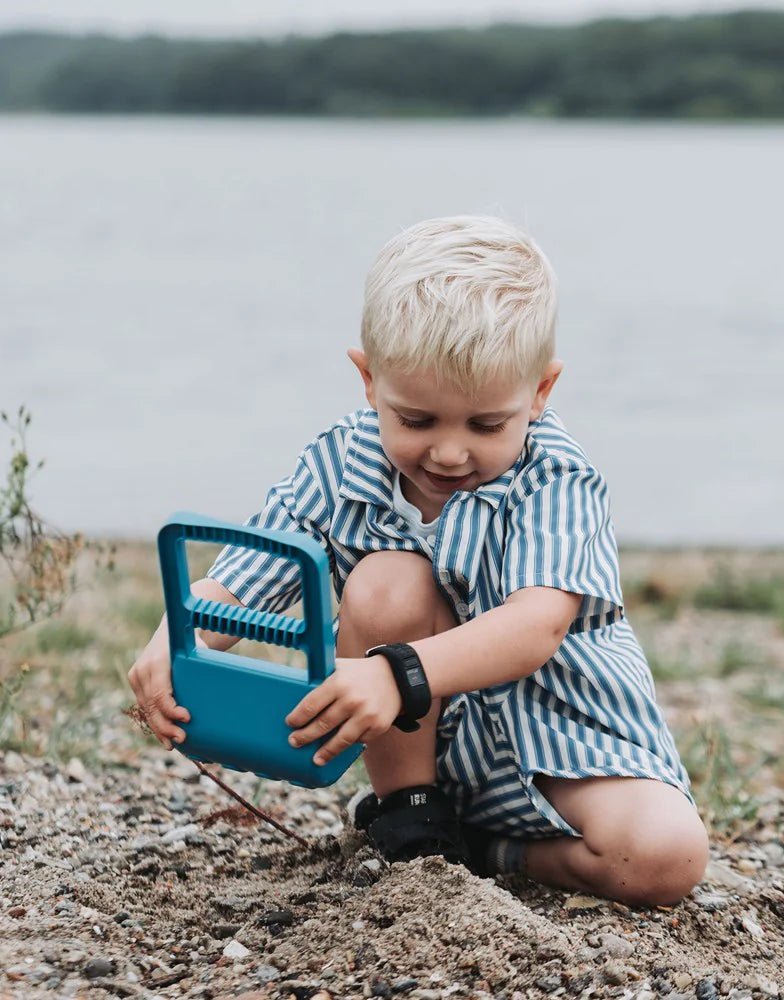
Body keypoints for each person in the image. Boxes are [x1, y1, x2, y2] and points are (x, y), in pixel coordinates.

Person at [128, 215, 708, 908]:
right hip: (425, 747)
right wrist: (176, 641)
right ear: (370, 381)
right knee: (386, 580)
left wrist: (394, 674)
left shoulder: (557, 480)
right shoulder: (342, 460)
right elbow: (252, 575)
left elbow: (535, 626)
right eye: (418, 420)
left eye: (486, 424)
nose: (450, 453)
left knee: (667, 858)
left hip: (563, 734)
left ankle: (497, 851)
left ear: (541, 392)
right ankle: (410, 815)